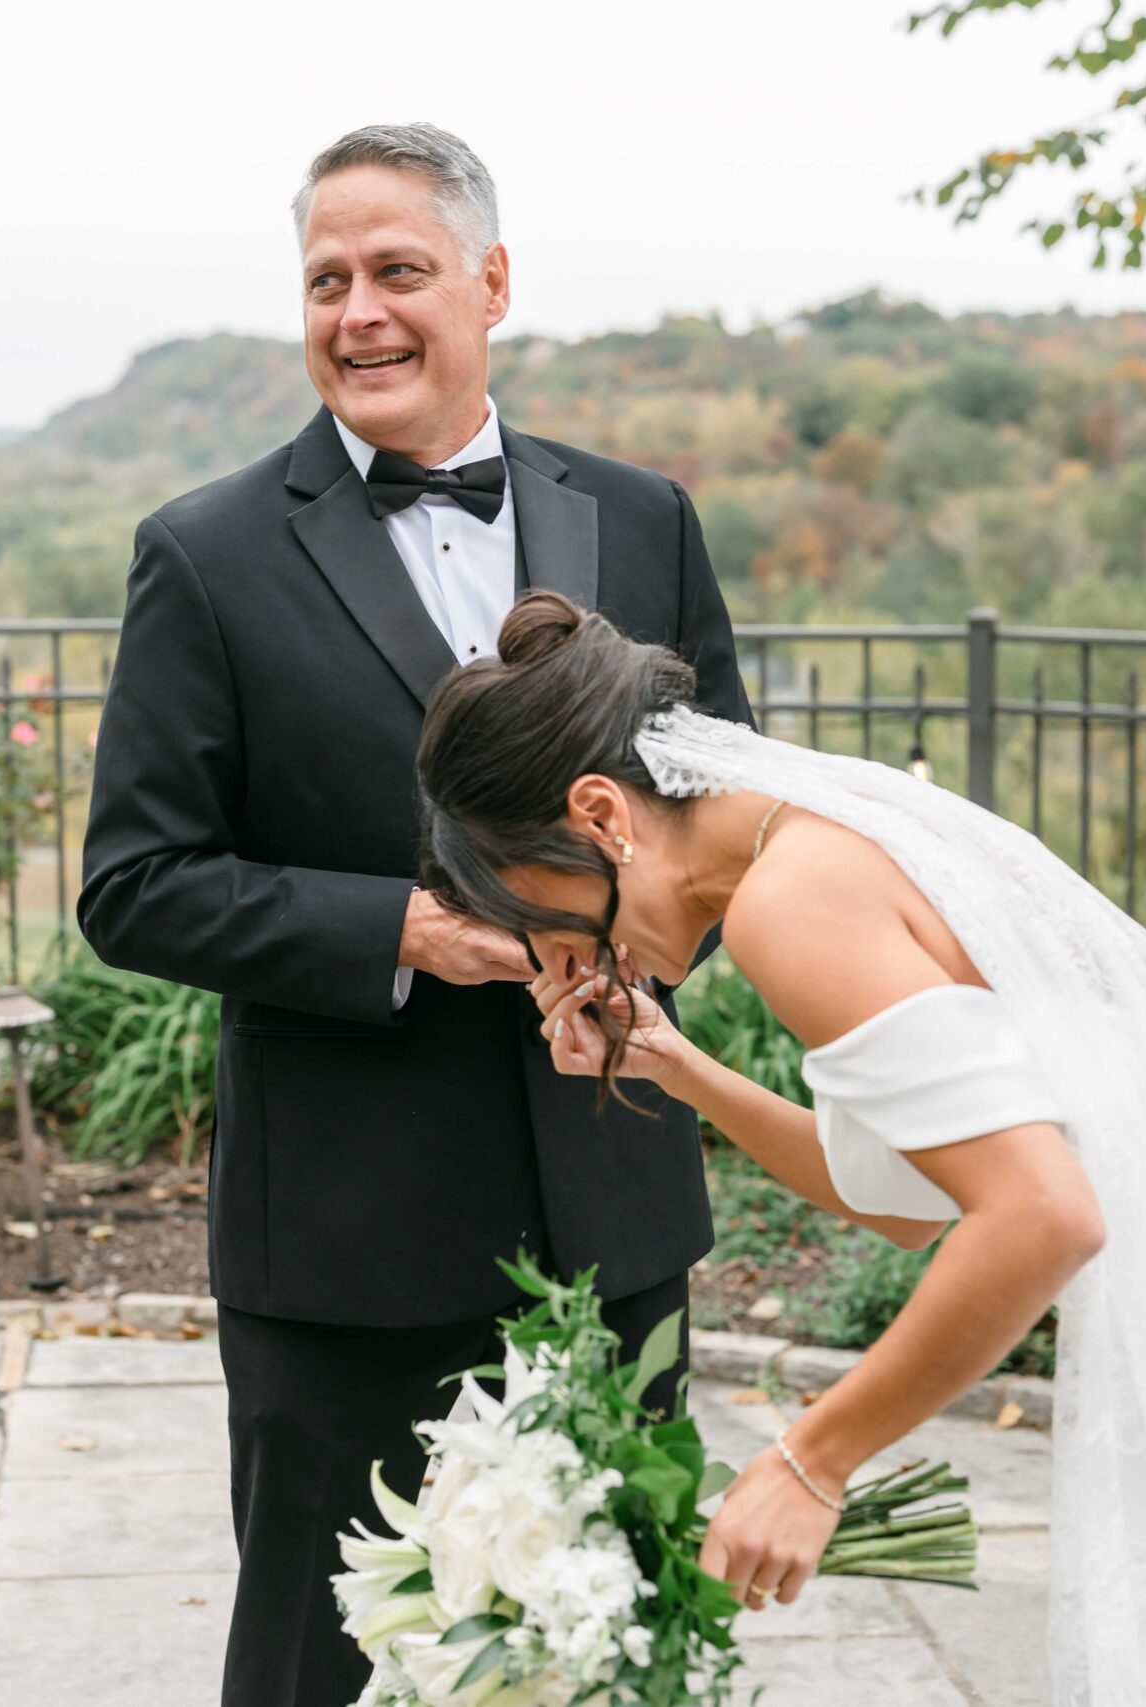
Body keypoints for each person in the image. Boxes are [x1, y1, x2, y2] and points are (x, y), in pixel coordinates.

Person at [410, 589, 1146, 1707]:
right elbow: (910, 1204)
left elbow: (1041, 1219)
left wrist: (810, 1459)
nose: (566, 961)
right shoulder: (821, 831)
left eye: (549, 920)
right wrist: (677, 1064)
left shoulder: (792, 903)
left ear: (603, 817)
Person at [76, 125, 751, 1707]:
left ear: (492, 283)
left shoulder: (643, 517)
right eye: (327, 280)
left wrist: (640, 954)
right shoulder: (207, 553)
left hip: (614, 1209)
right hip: (345, 1243)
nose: (359, 312)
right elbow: (134, 882)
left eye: (398, 270)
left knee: (617, 1650)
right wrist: (407, 929)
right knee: (331, 1663)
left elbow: (722, 822)